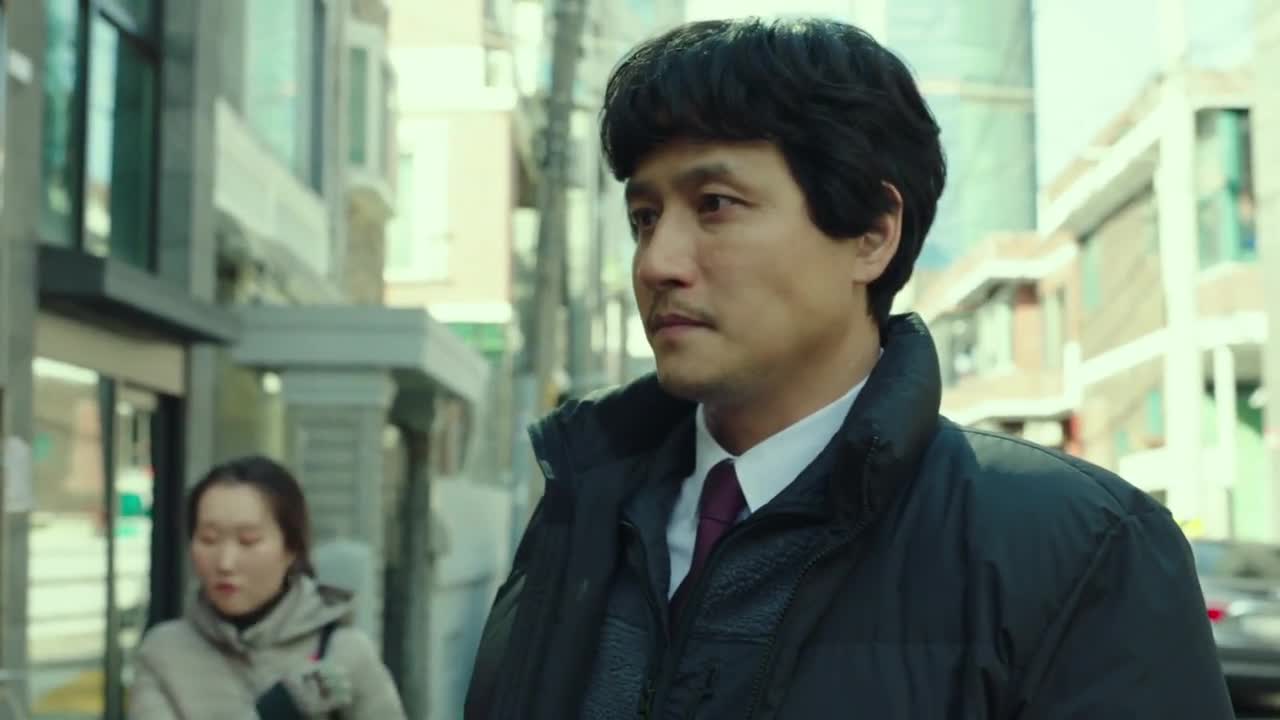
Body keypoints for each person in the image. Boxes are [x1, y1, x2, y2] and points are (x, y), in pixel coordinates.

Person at [465, 16, 1233, 720]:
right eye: (644, 217)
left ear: (871, 233)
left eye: (717, 204)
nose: (656, 262)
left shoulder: (1077, 548)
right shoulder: (584, 508)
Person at [130, 455, 406, 719]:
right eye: (209, 539)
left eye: (248, 541)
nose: (225, 563)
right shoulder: (164, 653)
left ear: (291, 548)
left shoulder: (344, 654)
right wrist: (278, 711)